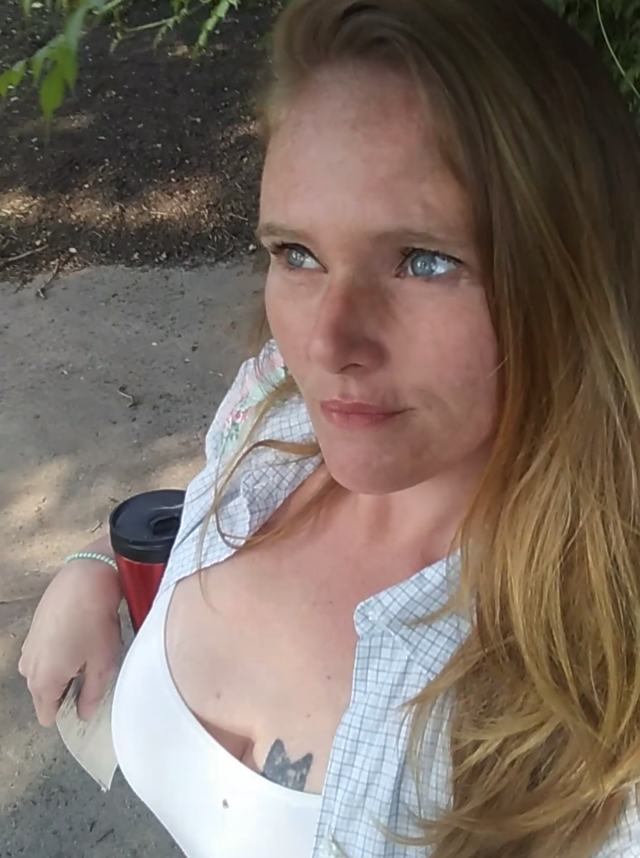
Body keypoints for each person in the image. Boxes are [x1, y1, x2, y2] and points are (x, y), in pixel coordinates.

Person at [19, 0, 640, 856]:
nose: (325, 343)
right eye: (298, 254)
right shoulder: (272, 402)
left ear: (575, 279)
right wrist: (95, 565)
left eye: (426, 261)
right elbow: (207, 498)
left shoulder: (604, 698)